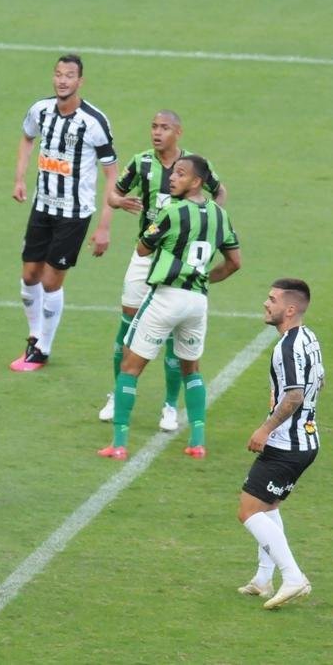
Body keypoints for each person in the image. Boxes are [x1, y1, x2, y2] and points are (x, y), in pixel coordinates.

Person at [98, 154, 240, 461]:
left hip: (166, 297)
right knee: (192, 369)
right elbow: (234, 262)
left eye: (180, 174)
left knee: (129, 367)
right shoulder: (219, 215)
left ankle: (119, 443)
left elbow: (142, 247)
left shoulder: (171, 211)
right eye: (173, 173)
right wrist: (204, 278)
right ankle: (197, 441)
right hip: (198, 302)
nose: (172, 178)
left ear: (196, 182)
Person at [10, 54, 117, 371]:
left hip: (74, 214)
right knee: (29, 275)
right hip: (42, 206)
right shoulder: (40, 111)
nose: (62, 80)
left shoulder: (94, 122)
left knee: (50, 281)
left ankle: (42, 348)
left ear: (80, 81)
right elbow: (27, 138)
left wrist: (105, 226)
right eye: (58, 74)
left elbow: (112, 174)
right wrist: (19, 177)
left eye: (69, 75)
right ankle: (34, 335)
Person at [237, 279, 323, 610]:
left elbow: (294, 396)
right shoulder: (309, 337)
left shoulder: (286, 347)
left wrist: (264, 429)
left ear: (289, 309)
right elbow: (319, 380)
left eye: (271, 300)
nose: (265, 304)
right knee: (268, 506)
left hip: (287, 444)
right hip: (305, 437)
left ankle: (293, 577)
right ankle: (263, 579)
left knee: (248, 510)